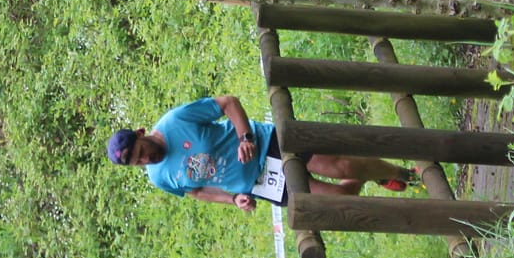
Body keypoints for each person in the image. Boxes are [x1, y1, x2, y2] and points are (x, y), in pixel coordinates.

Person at [106, 94, 417, 212]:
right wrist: (233, 200)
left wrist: (245, 138)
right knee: (340, 199)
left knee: (342, 166)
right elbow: (197, 192)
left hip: (269, 144)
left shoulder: (177, 121)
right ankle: (373, 173)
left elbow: (228, 102)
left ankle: (402, 174)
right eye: (137, 163)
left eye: (141, 152)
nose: (145, 160)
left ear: (141, 133)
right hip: (260, 183)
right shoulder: (159, 178)